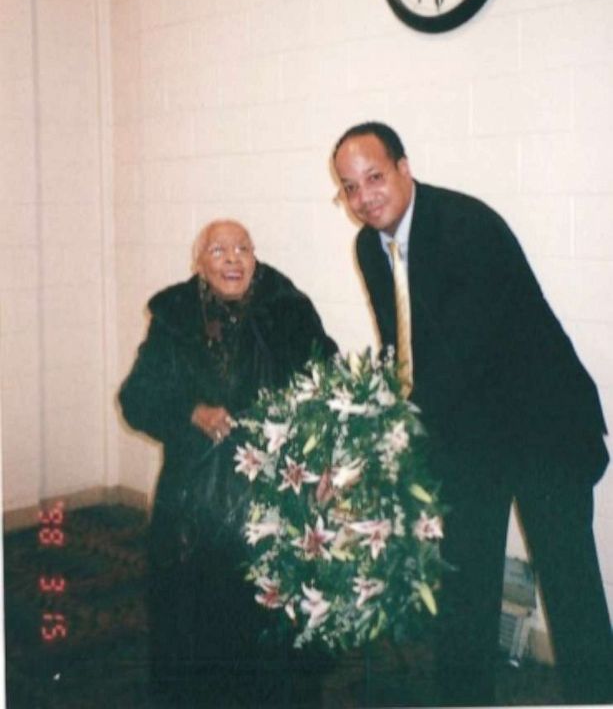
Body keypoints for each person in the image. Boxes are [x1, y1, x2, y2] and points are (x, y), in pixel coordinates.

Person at [332, 121, 612, 707]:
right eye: (350, 188)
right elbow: (400, 344)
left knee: (570, 590)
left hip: (542, 424)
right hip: (468, 432)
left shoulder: (466, 226)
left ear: (405, 169)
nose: (364, 199)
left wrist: (401, 433)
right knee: (462, 588)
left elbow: (464, 352)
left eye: (374, 178)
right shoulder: (369, 245)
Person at [118, 219, 337, 709]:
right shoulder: (173, 316)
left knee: (271, 630)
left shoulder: (290, 312)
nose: (233, 258)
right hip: (197, 498)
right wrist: (189, 412)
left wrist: (324, 458)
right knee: (196, 625)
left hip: (275, 494)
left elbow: (330, 386)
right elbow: (137, 397)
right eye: (219, 250)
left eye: (243, 248)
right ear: (200, 262)